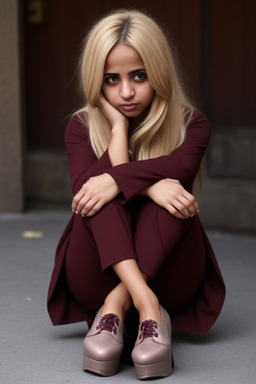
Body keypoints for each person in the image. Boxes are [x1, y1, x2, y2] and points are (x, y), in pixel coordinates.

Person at [47, 9, 225, 379]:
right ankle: (147, 307)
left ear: (158, 70)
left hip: (171, 277)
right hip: (94, 273)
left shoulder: (193, 124)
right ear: (95, 81)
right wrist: (117, 130)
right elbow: (86, 195)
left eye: (139, 76)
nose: (126, 92)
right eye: (111, 79)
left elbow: (177, 177)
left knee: (173, 199)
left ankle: (117, 305)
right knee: (98, 193)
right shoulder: (80, 127)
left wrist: (127, 180)